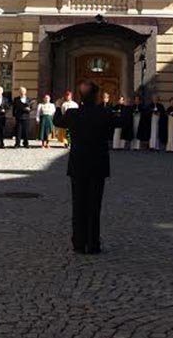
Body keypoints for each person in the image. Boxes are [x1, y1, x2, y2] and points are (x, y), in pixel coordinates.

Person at [53, 80, 126, 255]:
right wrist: (125, 106)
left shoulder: (72, 113)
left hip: (78, 164)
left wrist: (57, 106)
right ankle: (93, 243)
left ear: (81, 97)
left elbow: (58, 121)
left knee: (78, 205)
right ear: (97, 96)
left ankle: (79, 243)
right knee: (94, 205)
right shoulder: (104, 113)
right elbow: (123, 122)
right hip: (98, 164)